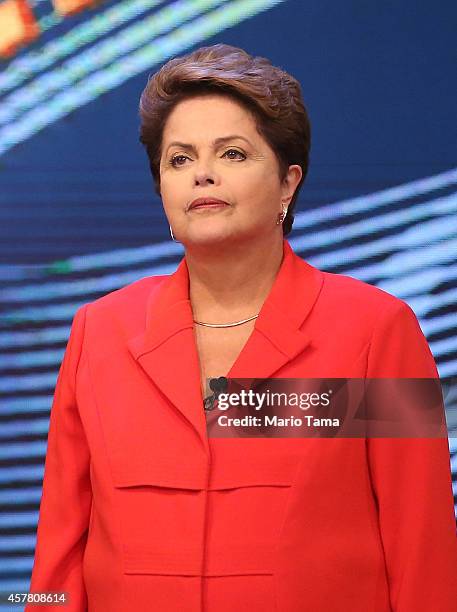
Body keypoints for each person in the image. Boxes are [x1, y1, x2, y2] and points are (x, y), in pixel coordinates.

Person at [26, 44, 457, 611]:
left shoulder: (375, 329)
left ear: (287, 183)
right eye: (179, 159)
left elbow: (421, 550)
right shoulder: (100, 332)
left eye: (231, 153)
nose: (201, 172)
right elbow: (58, 558)